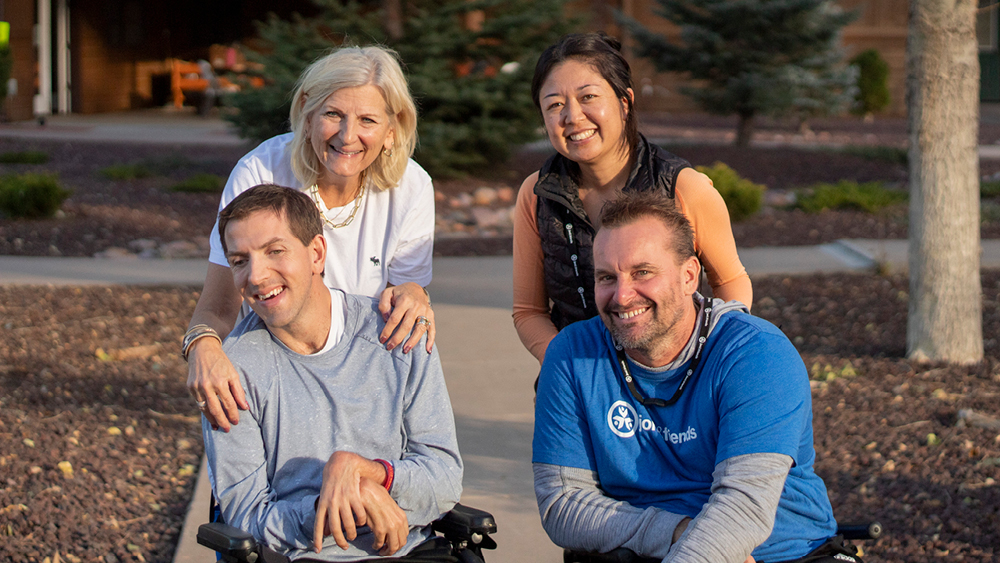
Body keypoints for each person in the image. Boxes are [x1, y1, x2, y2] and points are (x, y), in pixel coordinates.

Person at [532, 191, 862, 563]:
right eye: (607, 277)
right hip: (644, 550)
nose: (621, 296)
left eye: (643, 272)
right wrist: (675, 532)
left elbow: (742, 510)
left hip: (779, 553)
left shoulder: (756, 355)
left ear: (689, 276)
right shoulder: (571, 355)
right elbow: (563, 503)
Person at [203, 184, 463, 561]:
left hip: (410, 550)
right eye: (240, 261)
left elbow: (444, 478)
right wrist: (342, 504)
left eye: (275, 251)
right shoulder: (230, 371)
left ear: (317, 254)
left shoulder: (398, 332)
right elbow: (246, 515)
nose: (256, 276)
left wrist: (374, 475)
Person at [185, 45, 437, 432]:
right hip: (272, 370)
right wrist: (202, 346)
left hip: (363, 380)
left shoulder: (412, 188)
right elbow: (218, 307)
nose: (347, 136)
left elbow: (400, 312)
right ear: (307, 111)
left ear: (392, 128)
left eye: (367, 120)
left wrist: (416, 293)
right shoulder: (260, 171)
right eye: (333, 114)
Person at [513, 32, 752, 364]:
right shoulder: (536, 194)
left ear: (624, 102)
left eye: (588, 97)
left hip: (673, 382)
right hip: (577, 379)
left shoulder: (684, 187)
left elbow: (731, 283)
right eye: (555, 105)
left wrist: (710, 361)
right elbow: (528, 311)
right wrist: (570, 368)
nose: (572, 116)